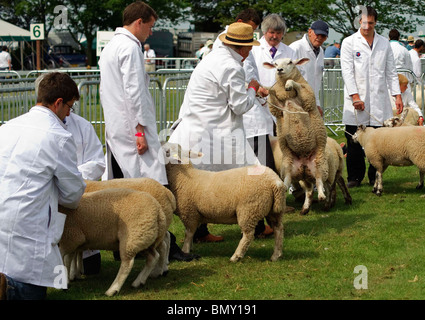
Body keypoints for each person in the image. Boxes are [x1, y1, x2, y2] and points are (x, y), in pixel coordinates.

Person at [99, 1, 197, 262]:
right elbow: (134, 92)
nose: (150, 33)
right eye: (150, 27)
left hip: (118, 126)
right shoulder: (130, 47)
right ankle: (163, 244)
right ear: (138, 22)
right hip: (132, 128)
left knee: (122, 184)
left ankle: (128, 244)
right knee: (150, 188)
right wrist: (140, 130)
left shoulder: (111, 46)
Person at [0, 72, 86, 300]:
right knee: (26, 287)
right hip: (28, 229)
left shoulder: (7, 127)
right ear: (58, 103)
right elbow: (73, 194)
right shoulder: (58, 136)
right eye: (70, 106)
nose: (69, 113)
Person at [168, 22, 261, 171]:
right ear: (243, 48)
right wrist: (252, 89)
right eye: (249, 48)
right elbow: (240, 106)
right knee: (249, 177)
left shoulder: (213, 57)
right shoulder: (232, 66)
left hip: (194, 129)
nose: (250, 52)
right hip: (212, 135)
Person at [341, 6, 403, 188]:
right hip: (356, 101)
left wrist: (397, 95)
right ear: (359, 21)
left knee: (379, 141)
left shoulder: (384, 43)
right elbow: (347, 72)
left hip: (378, 100)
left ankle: (374, 175)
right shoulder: (349, 42)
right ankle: (354, 176)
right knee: (354, 140)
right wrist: (355, 96)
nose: (367, 26)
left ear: (375, 22)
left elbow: (391, 71)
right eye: (364, 22)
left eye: (371, 22)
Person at [290, 20, 329, 116]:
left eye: (323, 36)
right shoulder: (295, 48)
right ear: (310, 32)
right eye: (317, 34)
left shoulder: (321, 52)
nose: (319, 38)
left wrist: (317, 104)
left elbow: (316, 82)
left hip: (311, 103)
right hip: (295, 102)